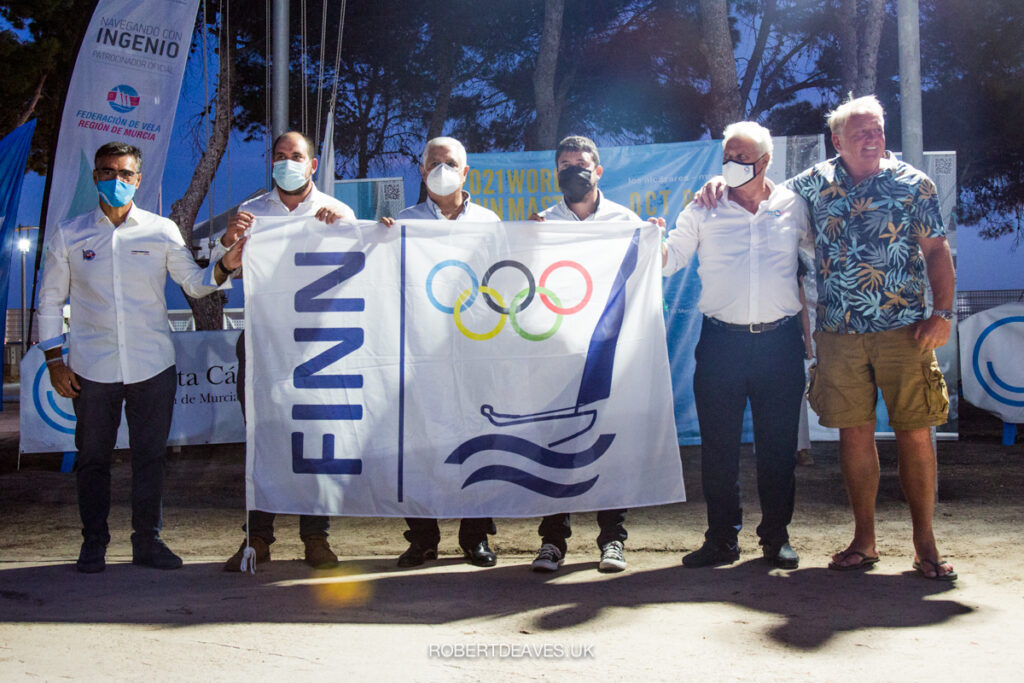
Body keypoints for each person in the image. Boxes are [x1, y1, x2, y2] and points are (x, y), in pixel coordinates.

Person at [698, 96, 957, 581]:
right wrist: (721, 180)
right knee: (854, 435)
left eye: (877, 129)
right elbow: (759, 187)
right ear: (837, 140)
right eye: (859, 131)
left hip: (906, 330)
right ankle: (865, 541)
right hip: (839, 333)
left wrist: (942, 312)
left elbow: (937, 251)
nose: (871, 137)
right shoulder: (811, 186)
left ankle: (925, 544)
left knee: (915, 433)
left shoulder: (913, 184)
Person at [37, 141, 242, 574]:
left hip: (153, 366)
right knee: (92, 458)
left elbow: (194, 283)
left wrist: (225, 265)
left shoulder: (161, 230)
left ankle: (147, 542)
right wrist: (55, 360)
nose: (116, 180)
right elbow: (51, 300)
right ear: (95, 176)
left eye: (125, 174)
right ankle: (93, 543)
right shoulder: (70, 234)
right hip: (92, 369)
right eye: (108, 172)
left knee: (150, 457)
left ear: (138, 179)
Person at [663, 123, 810, 570]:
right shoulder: (703, 207)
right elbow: (668, 261)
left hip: (780, 344)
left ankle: (776, 538)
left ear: (765, 162)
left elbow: (824, 256)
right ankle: (722, 539)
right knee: (719, 450)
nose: (730, 165)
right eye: (726, 156)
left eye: (741, 158)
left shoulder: (794, 206)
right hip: (721, 344)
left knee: (778, 448)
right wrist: (643, 237)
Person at [219, 131, 356, 572]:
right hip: (262, 343)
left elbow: (365, 274)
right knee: (262, 438)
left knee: (315, 442)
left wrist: (351, 233)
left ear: (312, 164)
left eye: (296, 156)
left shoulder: (338, 211)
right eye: (279, 156)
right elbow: (219, 277)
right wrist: (228, 246)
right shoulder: (250, 212)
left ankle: (316, 537)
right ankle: (256, 537)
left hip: (317, 347)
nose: (287, 162)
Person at [528, 135, 657, 574]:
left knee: (609, 441)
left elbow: (645, 275)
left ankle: (612, 541)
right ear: (556, 172)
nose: (572, 171)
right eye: (564, 164)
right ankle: (552, 542)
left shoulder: (625, 220)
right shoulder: (541, 222)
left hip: (609, 351)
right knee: (555, 442)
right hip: (557, 353)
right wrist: (526, 241)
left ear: (598, 170)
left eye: (581, 164)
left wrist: (651, 237)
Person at [381, 136, 501, 568]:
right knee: (419, 440)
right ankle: (422, 537)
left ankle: (475, 537)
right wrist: (380, 242)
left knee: (477, 437)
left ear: (466, 171)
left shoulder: (490, 222)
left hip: (475, 350)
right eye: (433, 162)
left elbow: (504, 280)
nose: (441, 169)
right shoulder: (403, 223)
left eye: (449, 163)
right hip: (421, 352)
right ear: (421, 169)